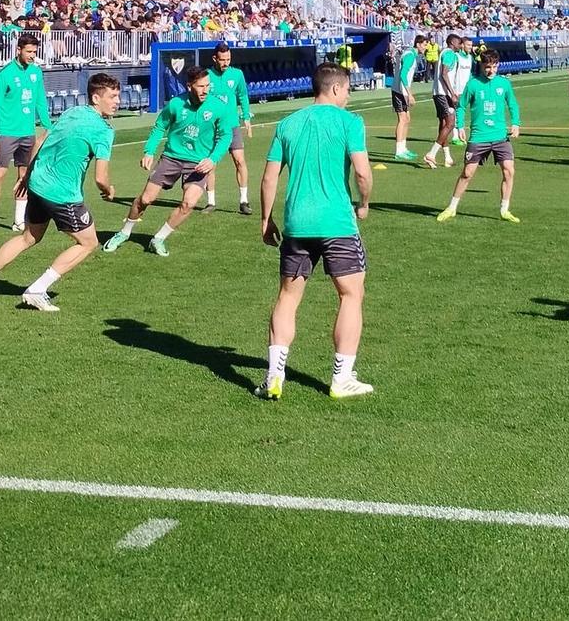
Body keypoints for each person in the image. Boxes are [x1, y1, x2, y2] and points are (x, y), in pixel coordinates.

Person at [259, 62, 374, 399]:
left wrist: (266, 219)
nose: (349, 96)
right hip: (337, 222)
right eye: (348, 90)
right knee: (350, 295)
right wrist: (364, 202)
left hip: (297, 224)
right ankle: (342, 378)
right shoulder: (350, 122)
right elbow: (363, 173)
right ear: (336, 88)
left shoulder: (287, 123)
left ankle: (274, 376)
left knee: (288, 298)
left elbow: (268, 178)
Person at [0, 72, 120, 310]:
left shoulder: (71, 112)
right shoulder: (104, 130)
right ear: (96, 98)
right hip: (62, 195)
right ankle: (37, 289)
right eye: (112, 96)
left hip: (37, 185)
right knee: (88, 243)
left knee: (28, 237)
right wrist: (109, 190)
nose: (117, 101)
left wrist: (26, 176)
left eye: (118, 96)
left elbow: (40, 141)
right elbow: (100, 178)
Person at [102, 66, 231, 256]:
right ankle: (124, 232)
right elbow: (159, 127)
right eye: (201, 86)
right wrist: (149, 151)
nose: (205, 90)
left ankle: (159, 238)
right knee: (145, 199)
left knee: (189, 203)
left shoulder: (218, 107)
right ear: (189, 86)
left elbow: (225, 136)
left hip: (198, 163)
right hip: (171, 158)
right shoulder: (175, 104)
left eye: (208, 86)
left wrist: (213, 159)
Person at [436, 46, 521, 222]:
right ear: (482, 65)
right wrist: (460, 126)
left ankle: (504, 210)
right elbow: (460, 106)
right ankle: (452, 208)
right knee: (467, 173)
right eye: (488, 66)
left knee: (509, 171)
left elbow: (512, 104)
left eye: (494, 66)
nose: (491, 70)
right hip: (479, 136)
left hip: (500, 137)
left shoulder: (504, 84)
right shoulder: (473, 84)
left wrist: (515, 123)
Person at [0, 33, 47, 238]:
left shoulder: (36, 73)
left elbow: (40, 101)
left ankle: (18, 221)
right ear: (18, 50)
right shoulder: (5, 74)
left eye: (35, 52)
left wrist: (48, 126)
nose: (32, 56)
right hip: (6, 133)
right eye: (29, 52)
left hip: (28, 133)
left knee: (24, 177)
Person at [203, 41, 254, 215]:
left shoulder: (237, 74)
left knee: (240, 161)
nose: (226, 63)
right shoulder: (207, 76)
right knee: (210, 164)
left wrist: (246, 117)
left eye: (228, 59)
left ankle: (244, 200)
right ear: (215, 58)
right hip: (212, 127)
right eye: (223, 59)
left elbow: (243, 96)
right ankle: (210, 202)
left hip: (232, 125)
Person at [423, 32, 471, 168]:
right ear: (452, 43)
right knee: (450, 123)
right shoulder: (449, 53)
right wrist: (452, 93)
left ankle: (447, 157)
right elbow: (444, 74)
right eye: (458, 42)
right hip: (443, 94)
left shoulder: (444, 52)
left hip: (438, 93)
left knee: (444, 123)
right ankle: (431, 154)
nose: (460, 45)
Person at [390, 33, 427, 161]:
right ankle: (398, 151)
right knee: (403, 119)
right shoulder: (410, 55)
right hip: (399, 91)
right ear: (418, 44)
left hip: (401, 90)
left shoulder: (411, 54)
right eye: (424, 45)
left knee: (407, 119)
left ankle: (403, 148)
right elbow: (403, 75)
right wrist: (409, 94)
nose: (426, 47)